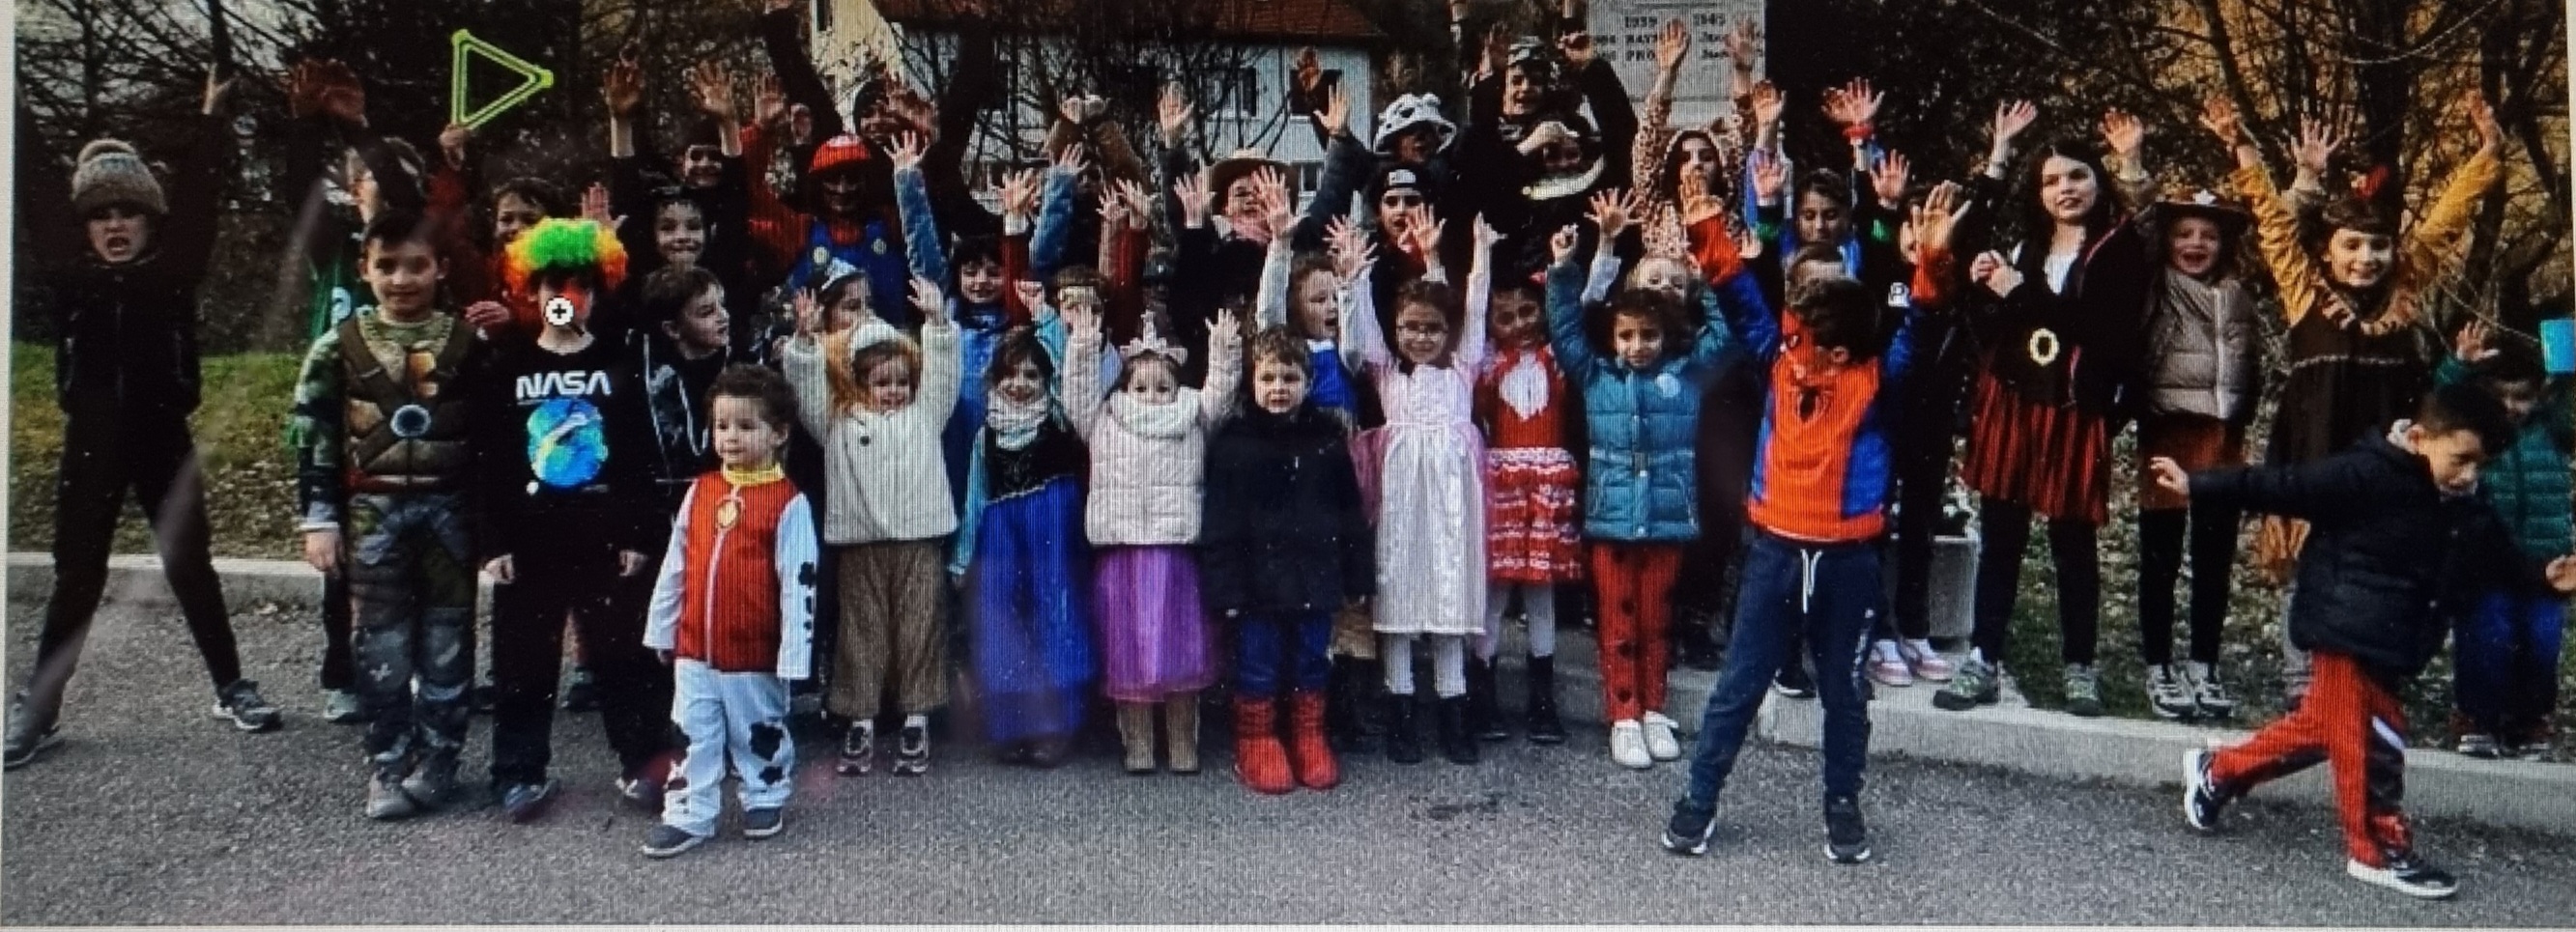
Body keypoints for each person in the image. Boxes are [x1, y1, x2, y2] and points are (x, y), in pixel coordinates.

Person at [2165, 383, 2576, 899]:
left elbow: (2498, 558)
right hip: (2343, 630)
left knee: (2325, 729)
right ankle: (2378, 848)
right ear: (2422, 437)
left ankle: (2217, 772)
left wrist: (2544, 577)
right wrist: (2199, 485)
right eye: (2461, 459)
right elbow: (2285, 484)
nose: (2470, 474)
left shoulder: (2466, 505)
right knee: (2375, 737)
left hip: (2392, 642)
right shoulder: (2368, 473)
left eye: (2481, 464)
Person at [1663, 181, 1962, 864]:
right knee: (1738, 685)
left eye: (1831, 294)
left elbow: (1922, 321)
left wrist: (1933, 263)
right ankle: (1699, 797)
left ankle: (1841, 803)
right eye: (1803, 292)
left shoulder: (1878, 379)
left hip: (1848, 560)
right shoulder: (1777, 359)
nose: (1814, 307)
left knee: (1844, 694)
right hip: (1774, 550)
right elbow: (1737, 290)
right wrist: (1706, 220)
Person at [5, 72, 281, 773]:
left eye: (130, 212)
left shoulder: (173, 273)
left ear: (151, 222)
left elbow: (197, 206)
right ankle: (37, 711)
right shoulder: (70, 275)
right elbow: (36, 189)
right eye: (101, 215)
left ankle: (231, 686)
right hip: (91, 442)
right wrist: (17, 101)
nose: (116, 225)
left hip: (164, 438)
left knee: (191, 566)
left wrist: (213, 118)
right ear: (83, 226)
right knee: (77, 575)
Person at [2199, 92, 2504, 709]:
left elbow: (2445, 221)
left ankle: (2363, 686)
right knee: (2307, 565)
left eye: (2378, 248)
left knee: (2377, 568)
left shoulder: (2407, 291)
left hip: (2389, 464)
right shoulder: (2304, 293)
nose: (2367, 259)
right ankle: (2301, 688)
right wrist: (2240, 145)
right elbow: (2273, 221)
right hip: (2315, 453)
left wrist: (2488, 155)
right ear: (2328, 252)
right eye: (2351, 247)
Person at [1936, 111, 2161, 718]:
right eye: (2052, 179)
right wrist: (1991, 285)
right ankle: (1983, 657)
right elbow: (1999, 322)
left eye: (2078, 176)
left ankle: (2080, 667)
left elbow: (2095, 330)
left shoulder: (2117, 250)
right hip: (2015, 404)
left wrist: (2019, 292)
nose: (2065, 188)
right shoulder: (2025, 248)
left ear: (2098, 182)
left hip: (2073, 410)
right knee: (2002, 537)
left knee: (2072, 544)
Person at [290, 209, 489, 817]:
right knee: (381, 644)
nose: (402, 279)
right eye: (387, 267)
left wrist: (492, 524)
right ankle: (387, 762)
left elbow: (488, 441)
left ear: (442, 269)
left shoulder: (468, 344)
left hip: (449, 513)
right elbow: (314, 435)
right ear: (364, 270)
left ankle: (440, 758)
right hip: (371, 513)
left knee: (447, 639)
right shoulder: (336, 346)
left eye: (417, 266)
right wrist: (319, 518)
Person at [474, 218, 674, 822]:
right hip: (531, 541)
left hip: (604, 537)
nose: (565, 299)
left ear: (597, 293)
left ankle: (643, 762)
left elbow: (641, 459)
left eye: (581, 287)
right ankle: (518, 771)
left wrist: (641, 535)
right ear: (528, 294)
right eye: (551, 287)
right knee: (523, 660)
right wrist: (493, 541)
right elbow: (489, 464)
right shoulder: (506, 367)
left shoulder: (618, 367)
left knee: (623, 656)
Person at [780, 279, 960, 777]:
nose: (893, 392)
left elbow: (943, 374)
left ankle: (916, 720)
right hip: (861, 545)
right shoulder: (837, 422)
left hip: (919, 540)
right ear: (859, 384)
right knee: (862, 633)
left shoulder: (926, 415)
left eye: (902, 381)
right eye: (882, 382)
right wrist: (805, 339)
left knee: (919, 629)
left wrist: (937, 324)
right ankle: (859, 721)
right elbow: (808, 384)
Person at [640, 364, 819, 858]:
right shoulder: (700, 491)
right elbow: (676, 565)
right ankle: (689, 811)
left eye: (746, 427)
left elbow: (800, 584)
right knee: (692, 730)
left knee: (756, 728)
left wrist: (794, 655)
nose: (731, 438)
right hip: (695, 647)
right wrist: (662, 629)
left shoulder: (787, 503)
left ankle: (765, 793)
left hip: (752, 649)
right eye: (722, 426)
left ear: (779, 433)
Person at [1337, 210, 1490, 767]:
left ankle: (1454, 710)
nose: (1421, 337)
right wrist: (1354, 279)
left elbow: (1472, 307)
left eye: (1432, 328)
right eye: (1411, 327)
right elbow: (1362, 336)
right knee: (1399, 594)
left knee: (1450, 595)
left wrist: (1470, 254)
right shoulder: (1386, 373)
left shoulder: (1463, 370)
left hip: (1453, 499)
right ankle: (1401, 710)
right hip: (1401, 498)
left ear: (1448, 333)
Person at [1064, 304, 1243, 775]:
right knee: (1129, 653)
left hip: (1175, 554)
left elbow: (1220, 395)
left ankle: (1183, 741)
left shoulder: (1193, 415)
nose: (1151, 395)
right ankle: (1138, 743)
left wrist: (1224, 350)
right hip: (1123, 554)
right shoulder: (1104, 419)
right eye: (1140, 386)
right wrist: (1083, 346)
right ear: (1124, 386)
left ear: (1178, 385)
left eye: (1163, 387)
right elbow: (1078, 397)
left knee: (1182, 649)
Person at [1202, 327, 1377, 794]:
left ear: (1307, 381)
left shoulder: (1326, 440)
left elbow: (1350, 513)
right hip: (1256, 585)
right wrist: (1226, 590)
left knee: (1309, 660)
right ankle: (1256, 740)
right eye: (1269, 378)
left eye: (1290, 377)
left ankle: (1308, 735)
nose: (1279, 388)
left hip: (1315, 577)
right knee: (1258, 663)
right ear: (1252, 383)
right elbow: (1219, 525)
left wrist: (1357, 573)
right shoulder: (1234, 445)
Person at [2132, 192, 2262, 720]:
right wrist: (2134, 167)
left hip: (2224, 432)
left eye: (2208, 236)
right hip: (2170, 426)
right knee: (2160, 554)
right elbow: (2138, 225)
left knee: (2214, 557)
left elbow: (2281, 236)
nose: (2195, 244)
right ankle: (2158, 665)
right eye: (2184, 234)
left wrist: (2303, 182)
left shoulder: (2239, 290)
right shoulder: (2157, 283)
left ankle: (2204, 664)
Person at [949, 325, 1095, 768]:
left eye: (1031, 375)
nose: (1020, 384)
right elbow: (975, 497)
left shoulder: (1059, 419)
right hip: (1002, 536)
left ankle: (1056, 726)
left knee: (1054, 619)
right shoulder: (986, 435)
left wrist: (1049, 319)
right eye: (1010, 375)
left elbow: (1076, 380)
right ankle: (1011, 726)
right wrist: (962, 557)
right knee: (1004, 627)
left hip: (1052, 530)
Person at [2438, 322, 2568, 760]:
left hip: (2546, 558)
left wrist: (2565, 363)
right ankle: (2477, 717)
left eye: (2523, 397)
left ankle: (2530, 720)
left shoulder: (2550, 428)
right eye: (2503, 397)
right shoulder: (2475, 433)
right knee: (2486, 635)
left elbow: (2569, 404)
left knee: (2542, 641)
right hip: (2486, 561)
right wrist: (2459, 366)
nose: (2513, 408)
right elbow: (2442, 401)